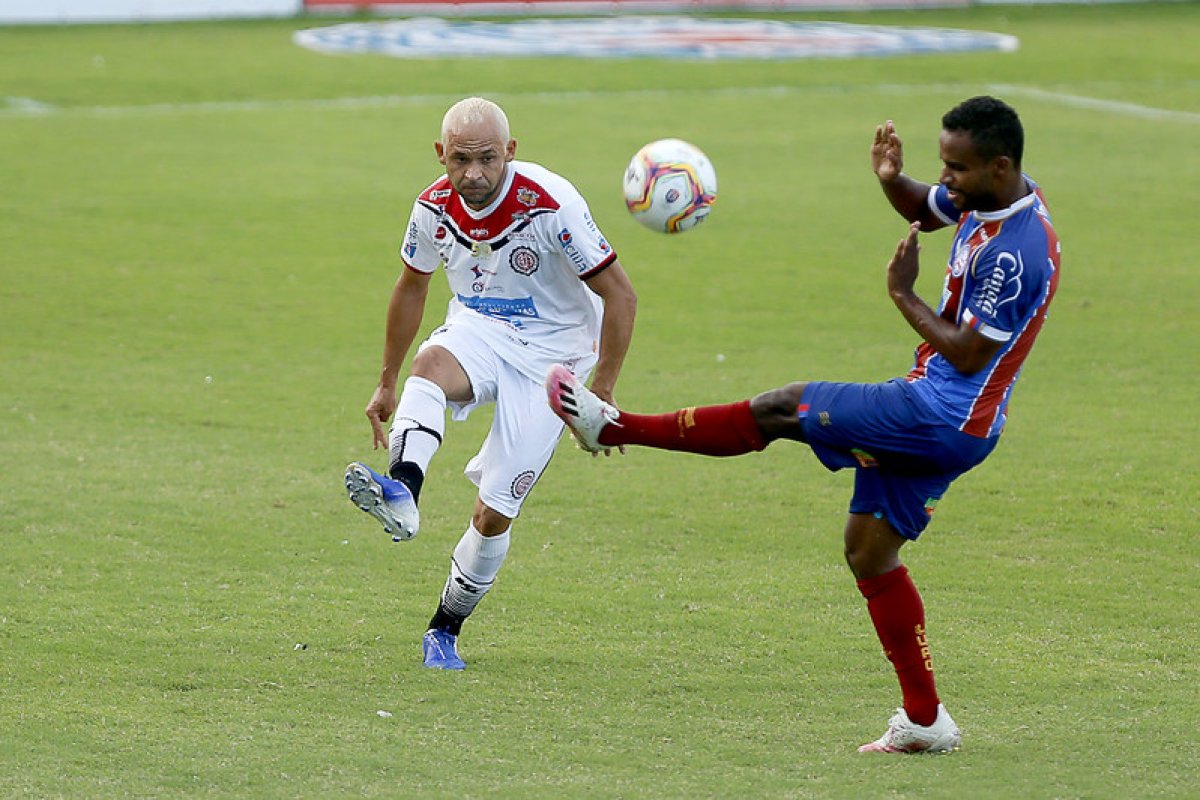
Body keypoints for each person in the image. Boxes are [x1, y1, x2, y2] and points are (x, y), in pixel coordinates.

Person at [545, 96, 1059, 754]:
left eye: (955, 168)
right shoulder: (986, 195)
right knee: (869, 552)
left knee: (783, 407)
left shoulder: (1018, 254)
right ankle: (926, 719)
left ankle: (612, 429)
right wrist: (890, 180)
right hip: (950, 420)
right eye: (943, 165)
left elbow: (966, 350)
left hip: (938, 415)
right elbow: (925, 207)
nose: (945, 179)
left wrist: (903, 293)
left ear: (1000, 165)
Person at [345, 97, 637, 671]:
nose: (472, 174)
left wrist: (601, 388)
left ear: (510, 152)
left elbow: (620, 295)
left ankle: (444, 629)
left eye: (486, 160)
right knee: (429, 365)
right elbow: (411, 286)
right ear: (440, 155)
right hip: (481, 325)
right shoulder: (432, 206)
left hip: (555, 354)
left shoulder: (550, 203)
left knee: (493, 513)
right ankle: (403, 491)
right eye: (459, 160)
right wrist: (385, 381)